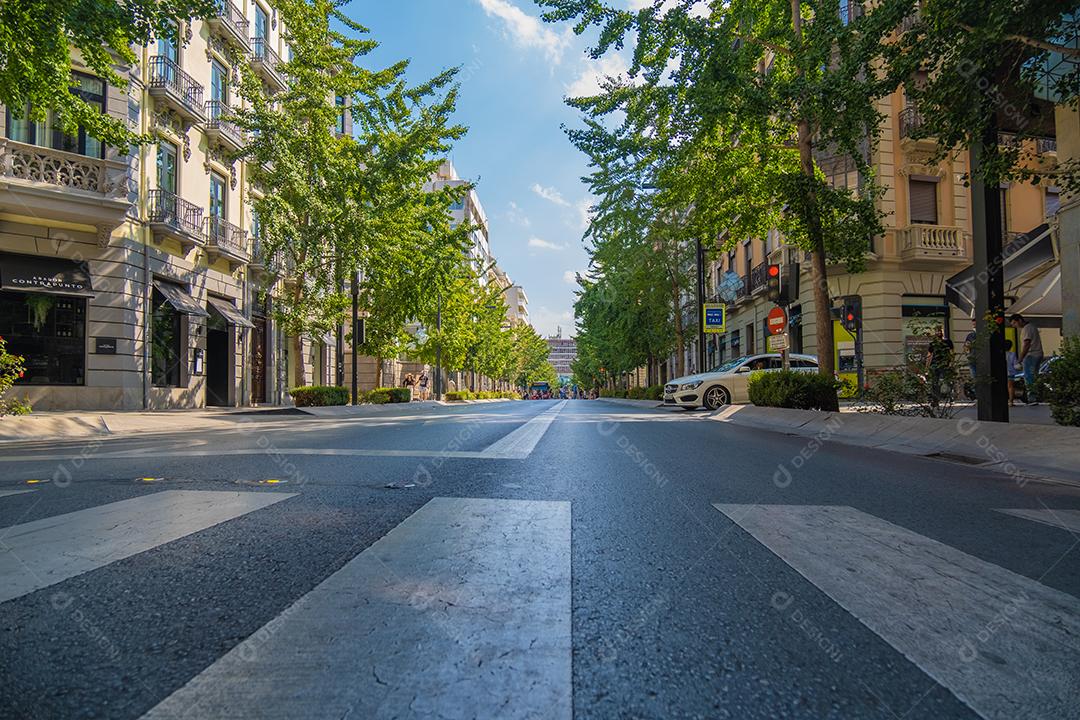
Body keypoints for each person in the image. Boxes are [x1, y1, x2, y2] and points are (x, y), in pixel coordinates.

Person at [1010, 314, 1044, 405]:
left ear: (1019, 320)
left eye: (1014, 323)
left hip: (1031, 355)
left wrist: (1020, 359)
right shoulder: (1032, 327)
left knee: (1029, 376)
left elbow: (1026, 344)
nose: (1014, 326)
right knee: (1034, 376)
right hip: (1037, 354)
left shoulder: (1026, 329)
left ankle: (1032, 398)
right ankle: (1035, 396)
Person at [926, 326, 955, 405]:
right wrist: (927, 367)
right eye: (937, 331)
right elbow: (929, 356)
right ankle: (935, 400)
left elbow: (952, 353)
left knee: (947, 381)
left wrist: (951, 363)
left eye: (940, 331)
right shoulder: (933, 343)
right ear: (935, 333)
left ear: (942, 332)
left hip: (945, 364)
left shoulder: (948, 342)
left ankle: (950, 398)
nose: (939, 333)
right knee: (935, 383)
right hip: (935, 365)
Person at [1004, 339, 1023, 406]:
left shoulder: (1000, 354)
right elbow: (1015, 365)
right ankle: (1011, 401)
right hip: (1010, 372)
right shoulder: (1012, 354)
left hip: (1002, 373)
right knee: (1010, 387)